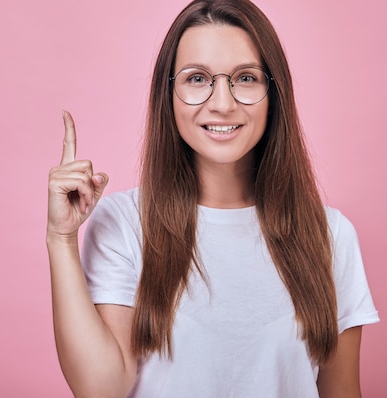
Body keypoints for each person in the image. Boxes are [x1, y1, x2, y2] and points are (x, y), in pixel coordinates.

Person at [46, 0, 379, 396]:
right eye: (198, 78)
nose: (222, 103)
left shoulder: (330, 234)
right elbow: (101, 390)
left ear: (274, 94)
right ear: (167, 95)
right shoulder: (124, 222)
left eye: (245, 78)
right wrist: (61, 238)